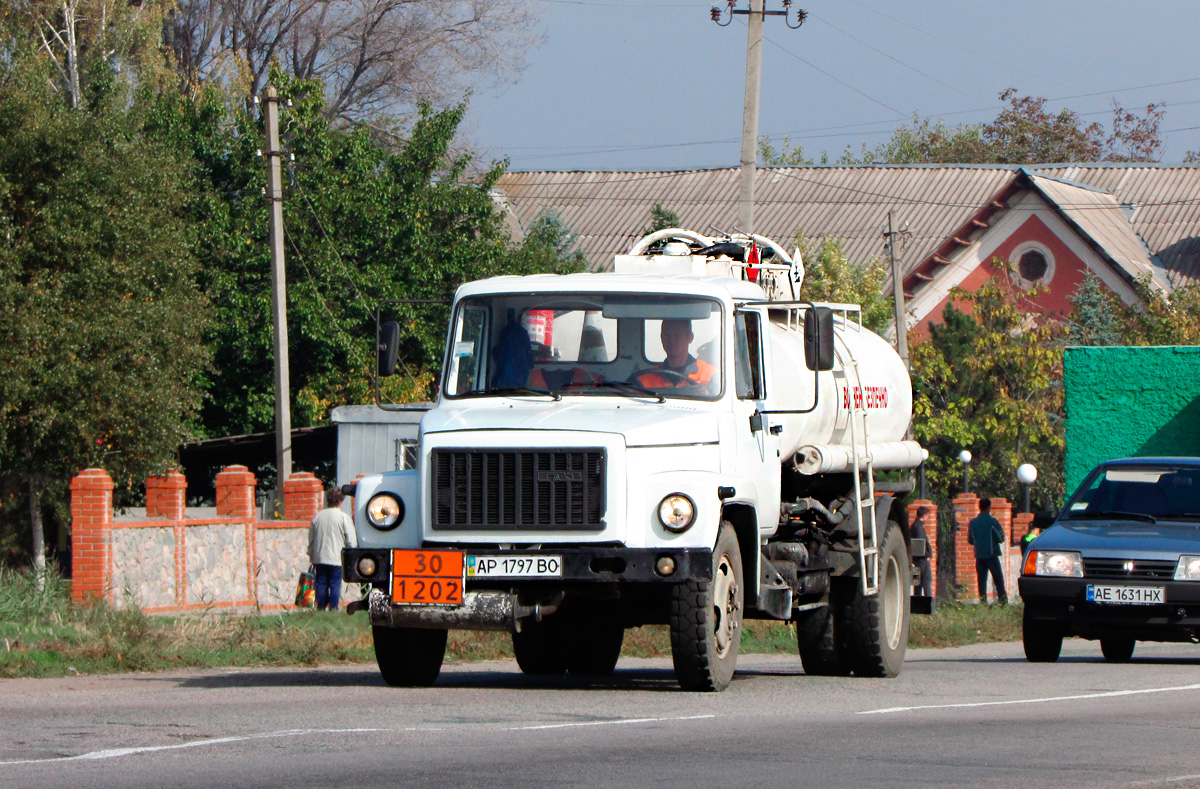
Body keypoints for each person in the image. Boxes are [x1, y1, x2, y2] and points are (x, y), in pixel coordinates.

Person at [308, 487, 358, 611]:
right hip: (336, 557)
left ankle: (321, 608)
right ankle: (333, 608)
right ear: (341, 501)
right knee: (335, 584)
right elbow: (351, 540)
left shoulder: (318, 517)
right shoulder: (343, 517)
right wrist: (352, 554)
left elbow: (311, 538)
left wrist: (311, 554)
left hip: (320, 557)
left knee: (321, 584)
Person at [632, 319, 716, 391]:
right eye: (667, 335)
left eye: (677, 335)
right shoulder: (643, 380)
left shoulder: (712, 375)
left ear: (690, 337)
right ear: (661, 337)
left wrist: (705, 394)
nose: (671, 340)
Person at [967, 497, 1008, 604]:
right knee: (998, 579)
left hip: (979, 556)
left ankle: (983, 602)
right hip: (991, 555)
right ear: (989, 507)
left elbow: (970, 540)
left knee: (981, 582)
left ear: (979, 507)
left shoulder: (973, 523)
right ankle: (1003, 602)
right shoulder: (992, 522)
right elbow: (1001, 538)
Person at [911, 506, 933, 597]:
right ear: (925, 515)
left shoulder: (914, 525)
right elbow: (920, 543)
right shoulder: (919, 527)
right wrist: (927, 555)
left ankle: (917, 606)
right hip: (922, 560)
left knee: (918, 584)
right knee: (926, 582)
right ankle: (929, 607)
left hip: (917, 559)